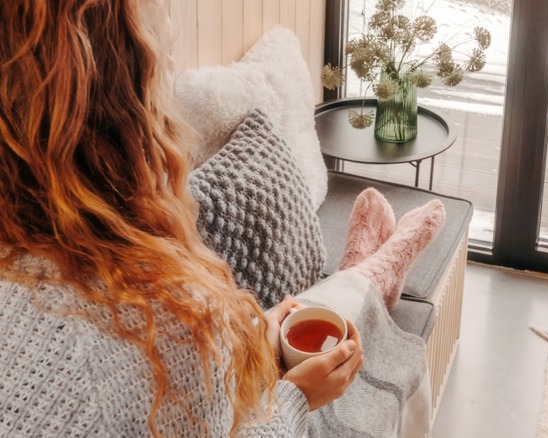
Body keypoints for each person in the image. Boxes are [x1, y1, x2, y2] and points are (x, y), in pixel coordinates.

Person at [0, 0, 444, 436]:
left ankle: (366, 269)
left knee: (310, 312)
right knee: (348, 310)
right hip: (269, 407)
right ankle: (372, 271)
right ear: (123, 101)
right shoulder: (166, 322)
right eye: (162, 55)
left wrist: (250, 341)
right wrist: (296, 398)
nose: (171, 66)